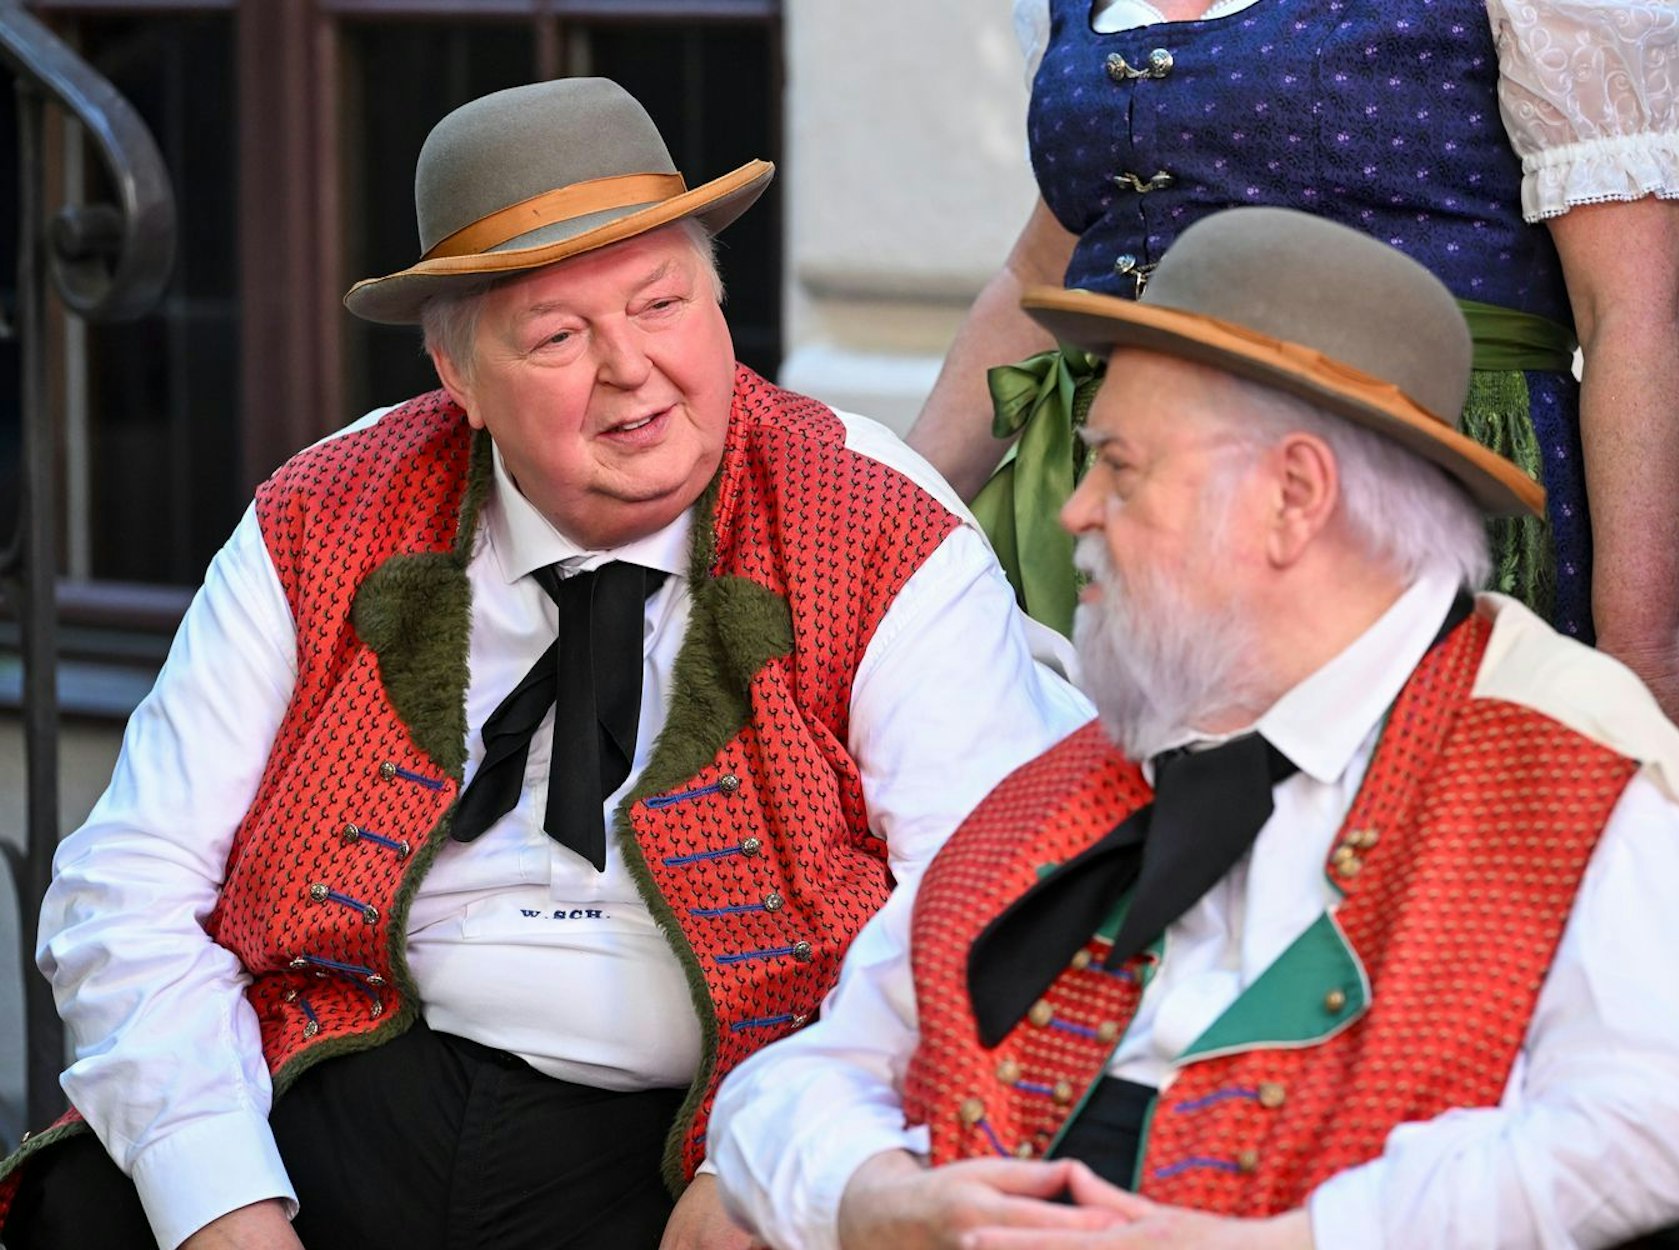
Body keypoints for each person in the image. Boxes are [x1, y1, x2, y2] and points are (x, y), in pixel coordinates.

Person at [0, 78, 1091, 1250]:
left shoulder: (876, 525)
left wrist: (778, 1167)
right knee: (102, 1208)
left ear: (718, 307)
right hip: (355, 1062)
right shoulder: (324, 510)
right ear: (458, 378)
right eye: (559, 337)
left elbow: (979, 913)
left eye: (662, 303)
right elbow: (131, 880)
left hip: (705, 1121)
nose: (630, 367)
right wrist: (219, 1195)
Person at [710, 207, 1679, 1250]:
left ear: (1294, 496)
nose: (1072, 509)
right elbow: (796, 1079)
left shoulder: (1566, 774)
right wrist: (873, 1197)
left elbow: (1669, 1115)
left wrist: (1299, 1241)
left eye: (1119, 466)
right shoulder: (1076, 778)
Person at [907, 0, 1679, 785]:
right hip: (1099, 518)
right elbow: (1043, 271)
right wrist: (886, 521)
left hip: (1388, 502)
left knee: (1414, 880)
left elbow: (1637, 305)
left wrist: (1646, 652)